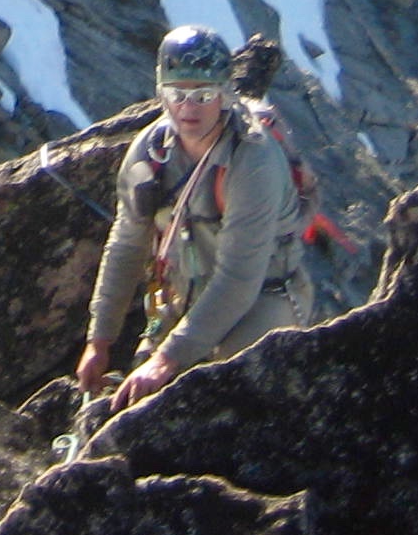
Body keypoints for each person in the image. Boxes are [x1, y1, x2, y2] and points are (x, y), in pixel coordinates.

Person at [76, 25, 307, 412]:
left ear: (225, 95)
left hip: (264, 293)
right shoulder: (149, 153)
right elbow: (127, 244)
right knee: (134, 402)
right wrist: (99, 341)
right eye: (176, 94)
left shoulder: (252, 161)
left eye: (203, 95)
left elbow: (238, 278)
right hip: (181, 294)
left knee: (232, 388)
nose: (188, 108)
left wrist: (167, 360)